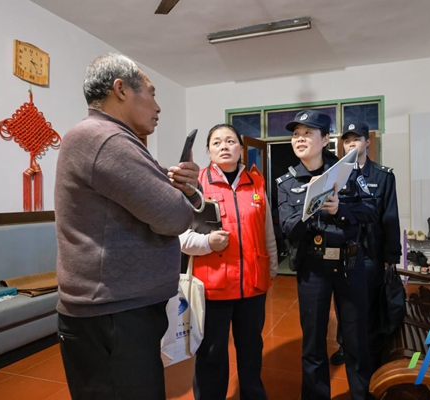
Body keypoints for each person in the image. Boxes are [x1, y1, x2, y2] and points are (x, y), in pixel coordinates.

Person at [54, 53, 202, 399]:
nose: (158, 107)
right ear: (121, 89)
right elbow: (174, 217)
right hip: (114, 313)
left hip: (116, 307)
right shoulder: (105, 139)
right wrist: (183, 196)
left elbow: (171, 201)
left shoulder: (113, 139)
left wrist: (186, 190)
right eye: (151, 93)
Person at [277, 110, 378, 400]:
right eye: (296, 135)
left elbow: (370, 211)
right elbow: (287, 228)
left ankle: (361, 395)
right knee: (312, 342)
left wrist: (339, 209)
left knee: (356, 339)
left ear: (325, 140)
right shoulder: (286, 182)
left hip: (349, 264)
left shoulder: (348, 172)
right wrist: (310, 209)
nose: (300, 139)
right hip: (312, 269)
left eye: (308, 133)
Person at [179, 123, 278, 400]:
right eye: (217, 142)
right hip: (212, 288)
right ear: (208, 151)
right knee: (211, 355)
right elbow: (179, 236)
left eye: (231, 141)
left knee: (251, 351)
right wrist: (207, 243)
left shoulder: (256, 182)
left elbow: (266, 230)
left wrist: (271, 268)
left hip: (253, 286)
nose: (224, 146)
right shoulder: (195, 184)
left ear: (241, 149)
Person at [330, 122, 402, 373]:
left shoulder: (382, 176)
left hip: (371, 252)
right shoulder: (336, 174)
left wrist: (391, 256)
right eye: (347, 140)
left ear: (367, 142)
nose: (351, 144)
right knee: (344, 300)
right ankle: (345, 345)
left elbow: (390, 217)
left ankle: (371, 348)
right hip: (344, 250)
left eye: (357, 139)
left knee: (370, 301)